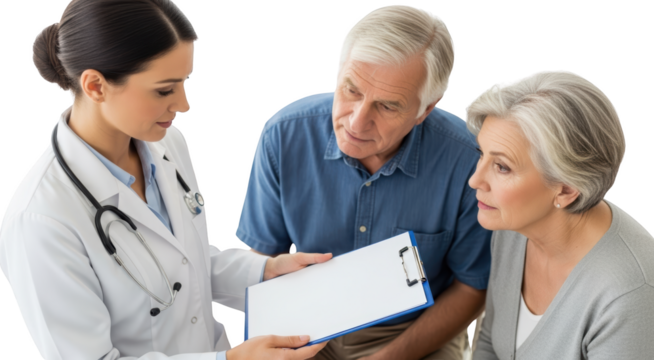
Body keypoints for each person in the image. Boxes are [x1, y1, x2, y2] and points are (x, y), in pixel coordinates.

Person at [0, 0, 332, 359]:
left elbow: (182, 262)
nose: (184, 104)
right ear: (95, 86)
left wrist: (266, 271)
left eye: (184, 83)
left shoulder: (167, 143)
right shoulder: (40, 220)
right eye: (164, 90)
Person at [236, 5, 492, 360]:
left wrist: (389, 357)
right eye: (351, 91)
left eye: (387, 106)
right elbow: (263, 260)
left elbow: (473, 285)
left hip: (412, 331)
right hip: (304, 324)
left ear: (426, 109)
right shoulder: (284, 135)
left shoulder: (470, 161)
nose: (356, 123)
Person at [466, 69, 654, 359]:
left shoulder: (628, 292)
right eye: (481, 154)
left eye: (502, 167)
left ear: (566, 190)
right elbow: (492, 341)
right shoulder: (512, 226)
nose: (475, 181)